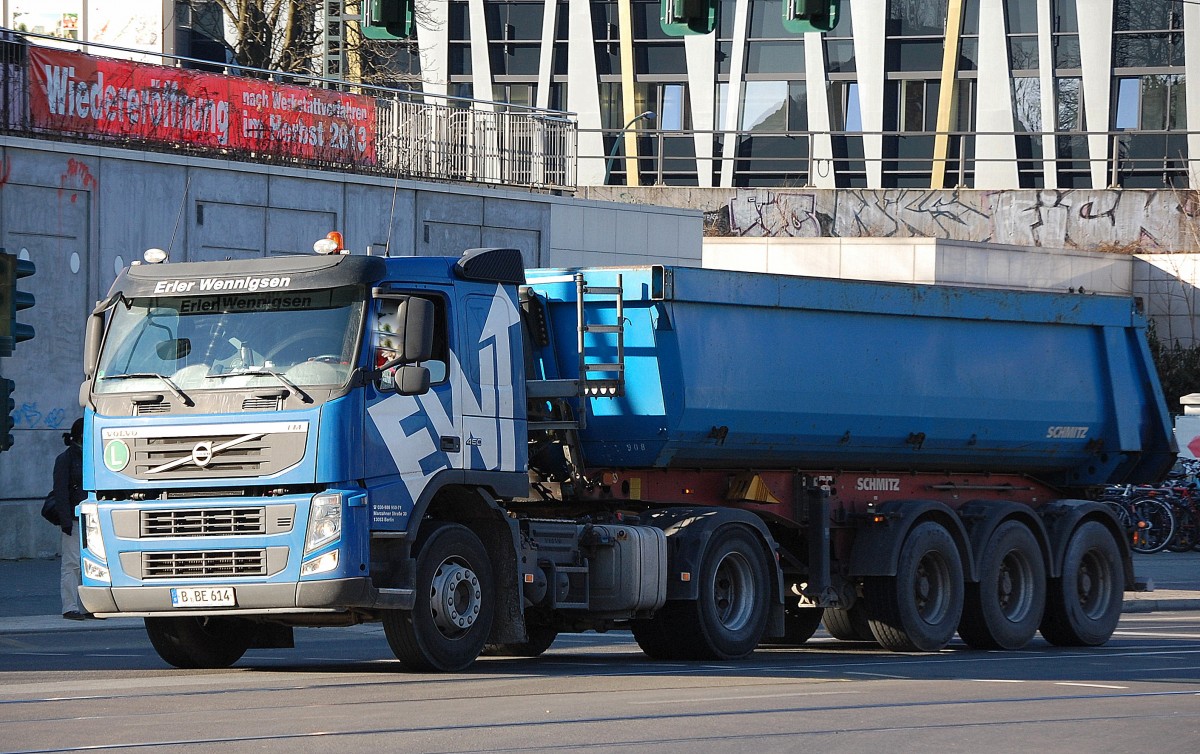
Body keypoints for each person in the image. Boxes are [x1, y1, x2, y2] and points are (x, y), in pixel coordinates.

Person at [44, 418, 89, 620]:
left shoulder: (90, 455)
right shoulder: (66, 459)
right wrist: (65, 522)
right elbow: (60, 492)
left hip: (90, 518)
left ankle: (87, 606)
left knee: (89, 565)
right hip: (74, 517)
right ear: (81, 436)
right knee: (72, 564)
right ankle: (70, 606)